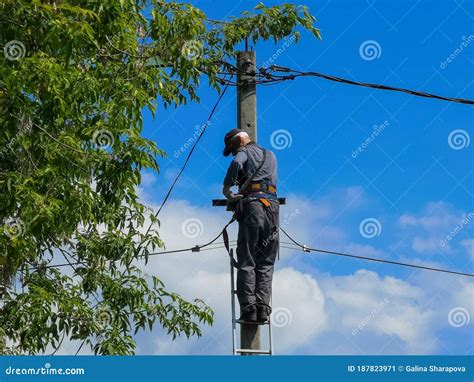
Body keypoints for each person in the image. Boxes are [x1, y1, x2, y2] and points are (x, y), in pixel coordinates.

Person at [222, 128, 279, 323]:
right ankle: (263, 308)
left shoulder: (244, 151)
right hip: (272, 207)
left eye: (233, 147)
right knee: (266, 261)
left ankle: (248, 309)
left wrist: (227, 188)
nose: (234, 151)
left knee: (247, 258)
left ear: (239, 140)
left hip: (254, 206)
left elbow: (237, 163)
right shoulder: (270, 155)